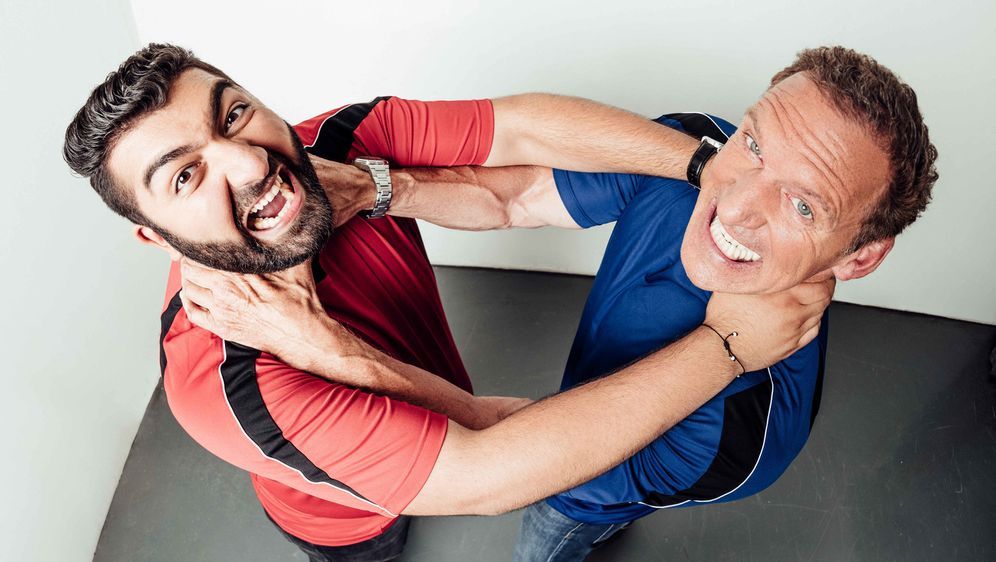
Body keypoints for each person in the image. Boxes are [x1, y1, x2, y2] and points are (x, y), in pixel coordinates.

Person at [63, 43, 830, 560]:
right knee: (374, 543)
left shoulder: (338, 145)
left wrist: (711, 168)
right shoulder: (227, 385)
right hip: (344, 516)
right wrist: (730, 344)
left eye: (232, 114)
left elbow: (519, 129)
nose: (248, 162)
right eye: (184, 176)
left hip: (443, 399)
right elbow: (488, 463)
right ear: (155, 236)